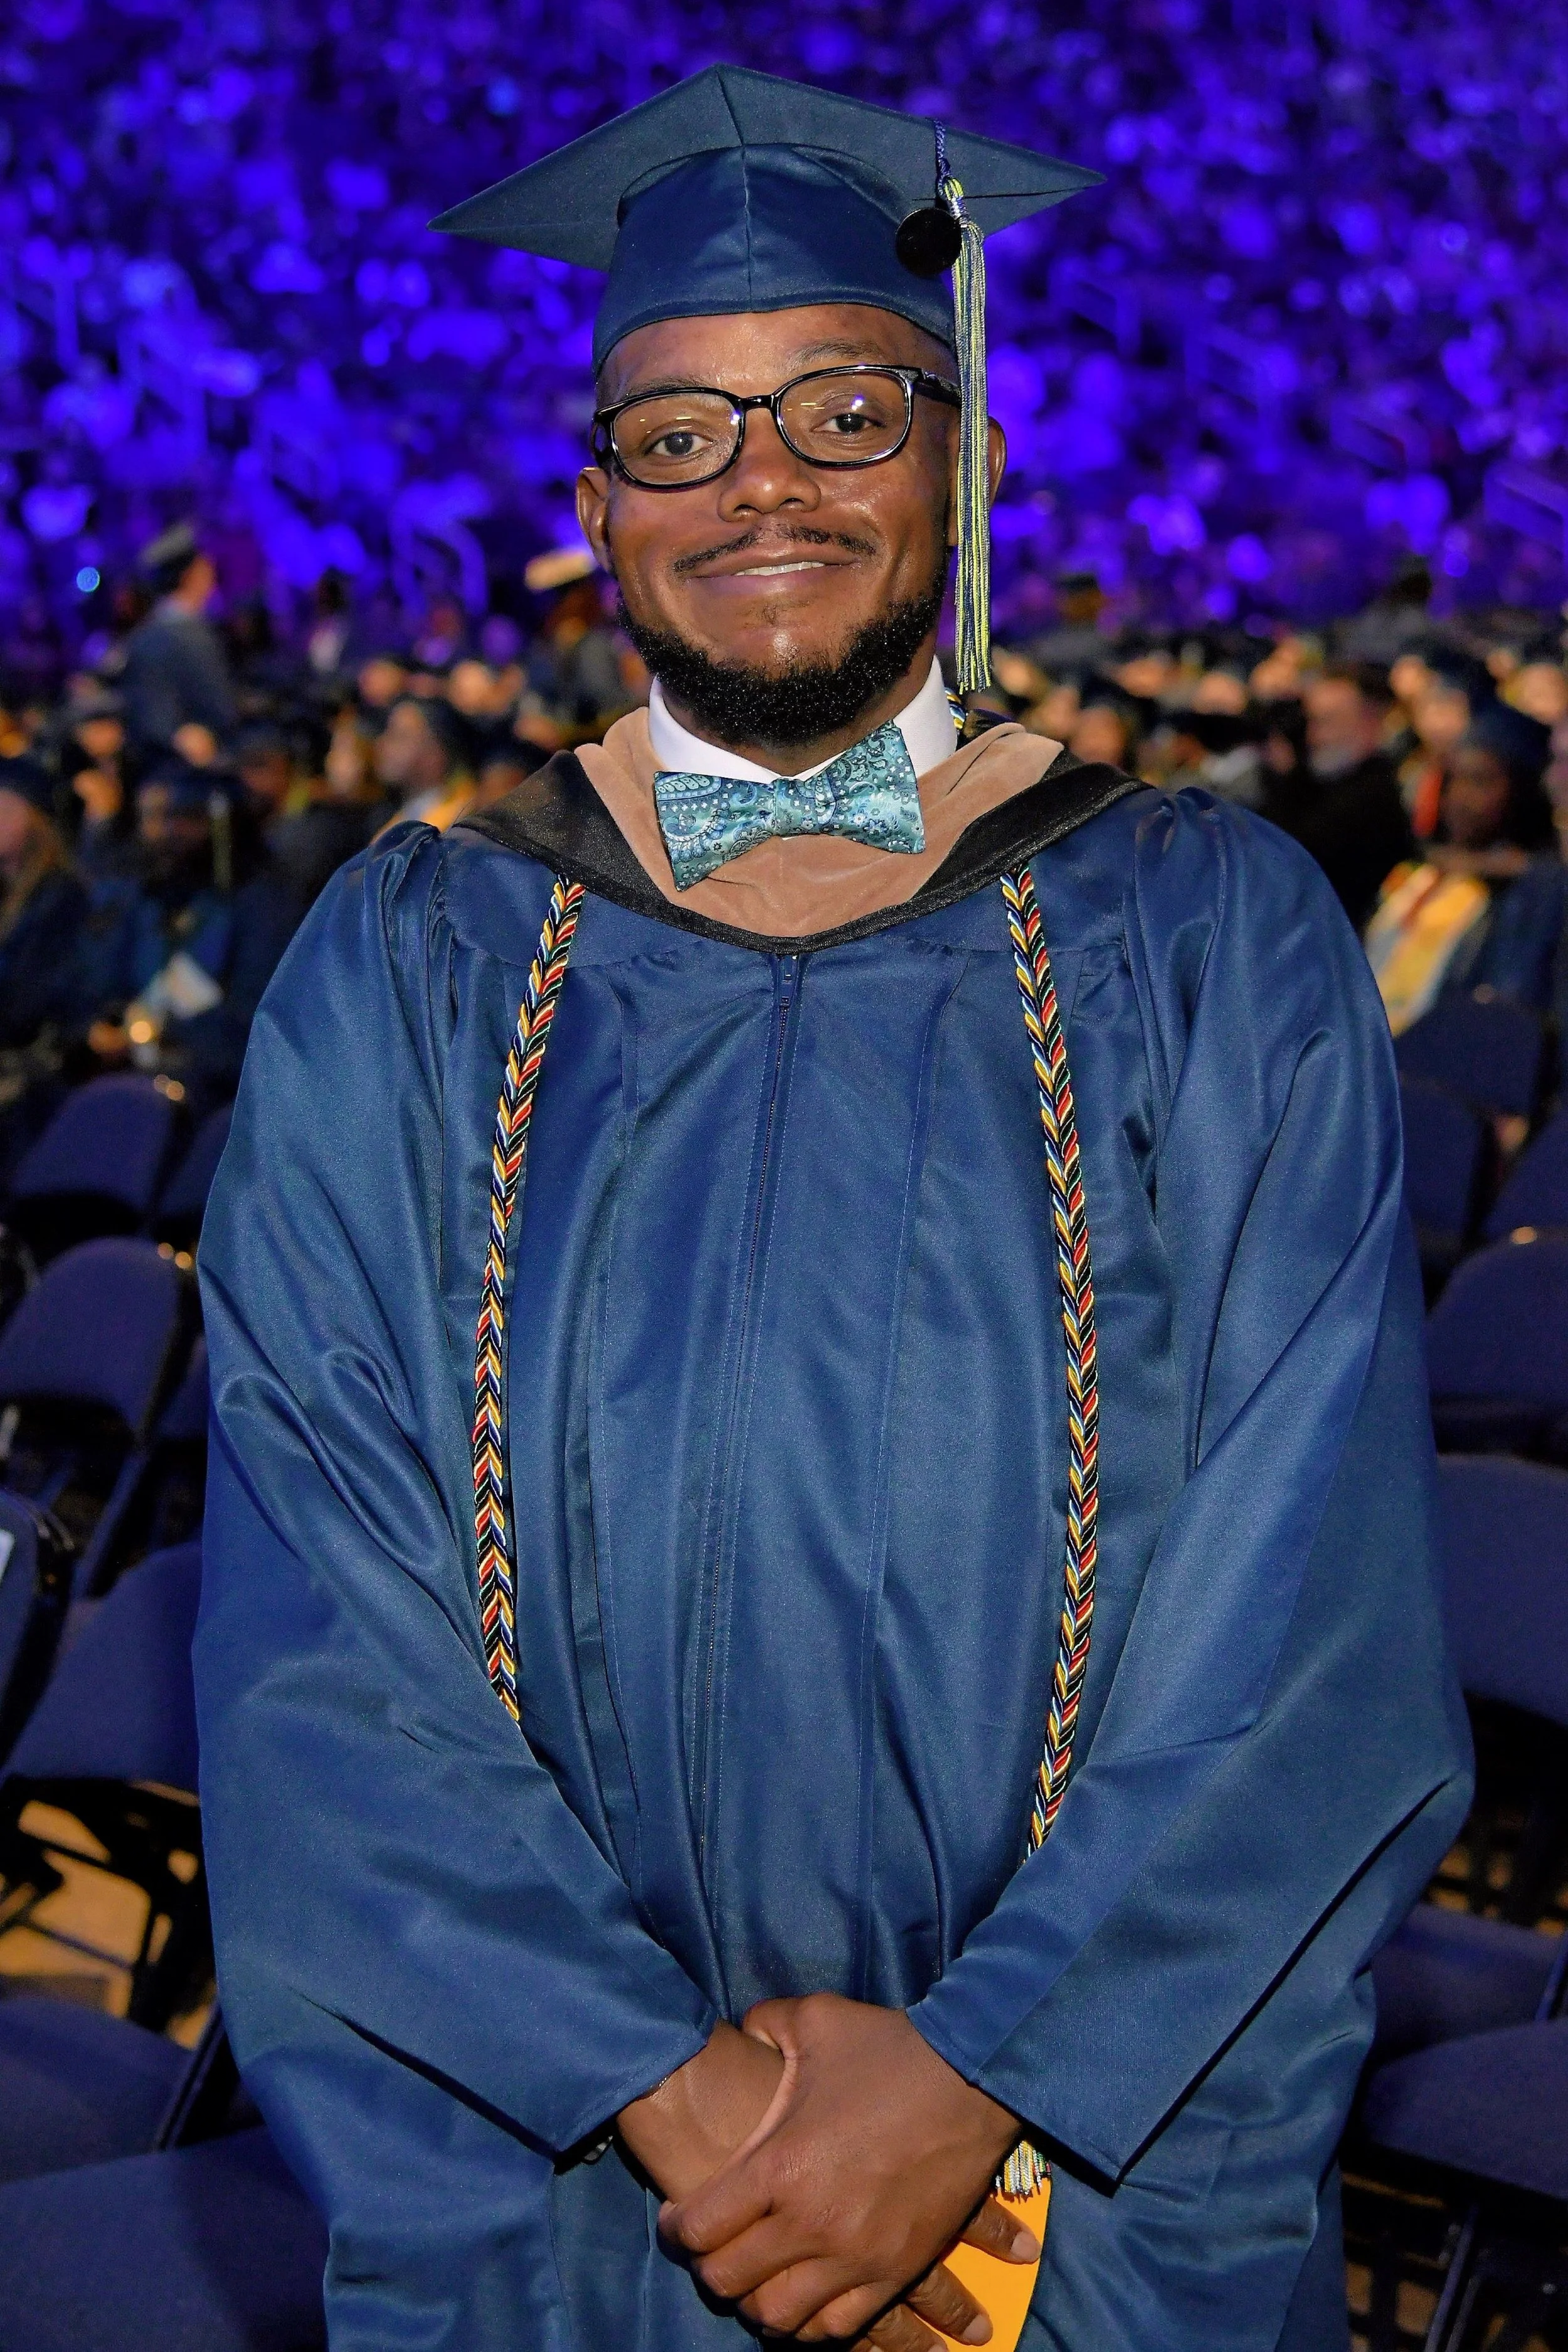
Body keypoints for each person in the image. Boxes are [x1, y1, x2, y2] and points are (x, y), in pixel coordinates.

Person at [195, 66, 1469, 2352]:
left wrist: (984, 2077)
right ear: (597, 504)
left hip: (1070, 2201)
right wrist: (664, 2090)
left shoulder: (1204, 936)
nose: (755, 481)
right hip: (565, 2194)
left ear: (966, 458)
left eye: (841, 409)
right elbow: (316, 1642)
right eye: (678, 430)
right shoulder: (405, 968)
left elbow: (1314, 1628)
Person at [1365, 704, 1567, 1037]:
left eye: (1481, 782)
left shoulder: (1530, 896)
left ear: (1521, 793)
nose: (1459, 798)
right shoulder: (1420, 874)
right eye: (1454, 780)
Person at [1270, 662, 1413, 932]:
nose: (1314, 737)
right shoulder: (1315, 781)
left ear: (1368, 723)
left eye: (1327, 722)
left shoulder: (1373, 797)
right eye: (1311, 722)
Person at [120, 522, 238, 770]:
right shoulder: (188, 635)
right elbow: (219, 707)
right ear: (191, 574)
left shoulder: (146, 634)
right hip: (193, 766)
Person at [0, 761, 88, 1048]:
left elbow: (29, 1000)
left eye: (5, 810)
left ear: (37, 821)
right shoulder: (7, 891)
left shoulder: (61, 896)